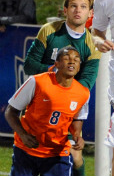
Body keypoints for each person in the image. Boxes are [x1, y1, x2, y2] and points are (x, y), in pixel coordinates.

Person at [24, 0, 101, 176]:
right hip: (41, 100)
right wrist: (55, 73)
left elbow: (86, 83)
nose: (78, 10)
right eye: (73, 6)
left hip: (71, 103)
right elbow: (29, 65)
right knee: (31, 151)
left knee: (75, 156)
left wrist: (65, 94)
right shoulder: (49, 30)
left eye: (83, 7)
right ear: (65, 10)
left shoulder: (92, 45)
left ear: (90, 14)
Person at [5, 46, 90, 176]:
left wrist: (78, 136)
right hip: (27, 150)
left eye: (76, 59)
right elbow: (10, 111)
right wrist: (23, 135)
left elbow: (77, 118)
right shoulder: (37, 81)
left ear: (79, 66)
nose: (72, 61)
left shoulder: (83, 93)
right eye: (67, 58)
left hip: (57, 154)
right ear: (56, 64)